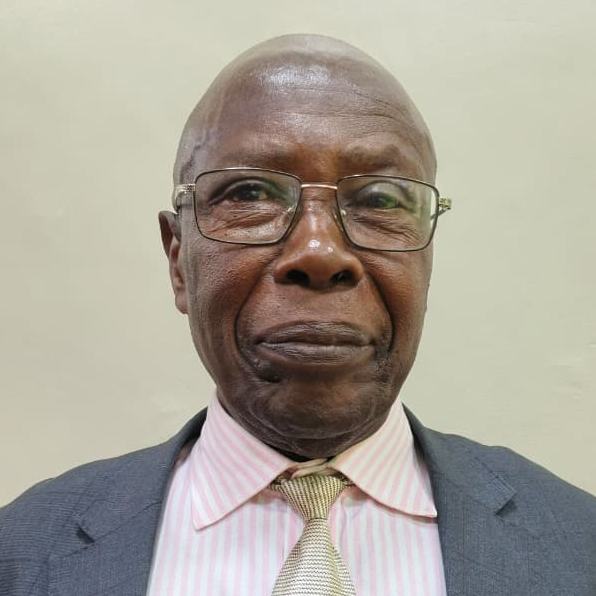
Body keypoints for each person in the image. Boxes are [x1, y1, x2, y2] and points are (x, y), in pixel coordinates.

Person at [1, 34, 594, 596]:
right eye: (250, 194)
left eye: (381, 199)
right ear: (179, 259)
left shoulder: (579, 543)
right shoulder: (20, 552)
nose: (319, 252)